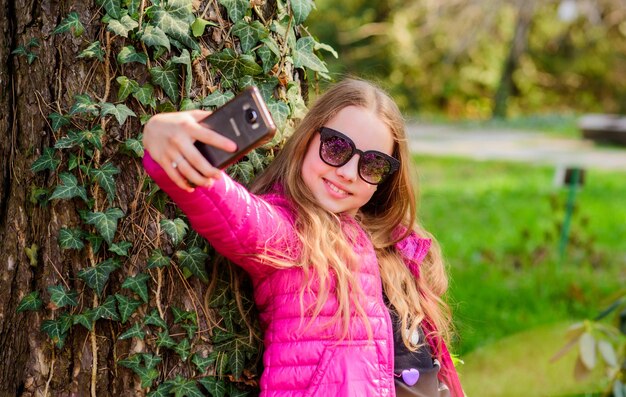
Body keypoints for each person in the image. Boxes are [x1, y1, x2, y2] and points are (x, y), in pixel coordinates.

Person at [142, 78, 464, 397]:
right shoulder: (292, 232)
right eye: (337, 147)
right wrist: (165, 147)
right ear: (309, 138)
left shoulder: (396, 247)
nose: (349, 173)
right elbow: (237, 216)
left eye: (373, 164)